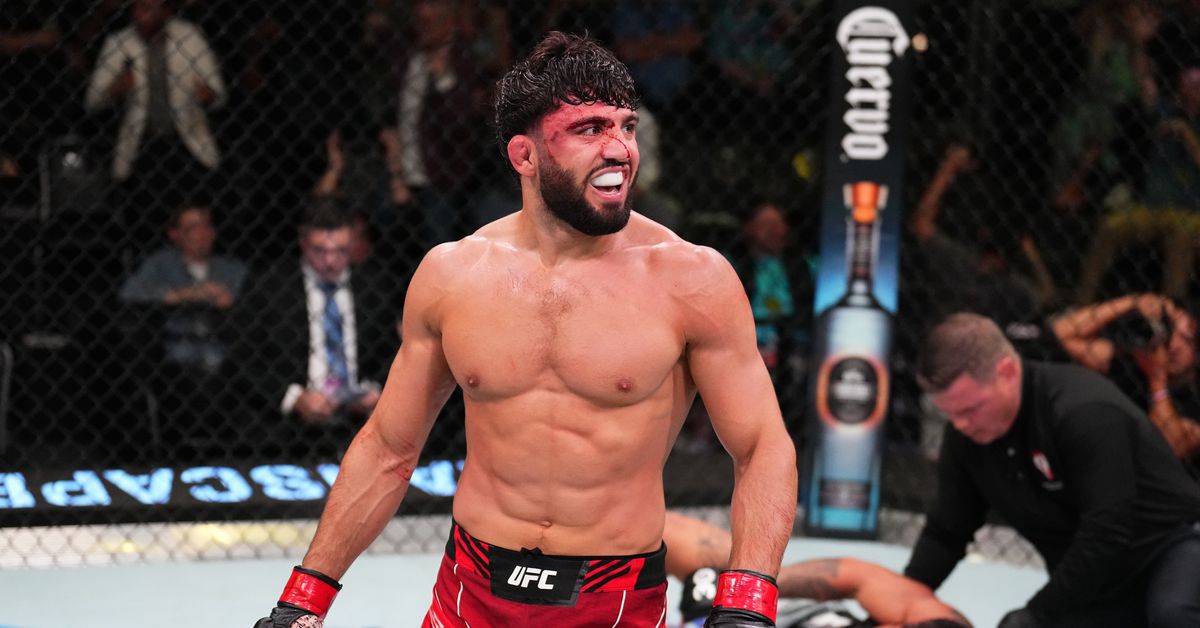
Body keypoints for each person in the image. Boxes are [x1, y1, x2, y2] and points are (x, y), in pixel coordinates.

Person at [256, 31, 797, 627]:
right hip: (469, 591)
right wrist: (302, 600)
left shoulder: (690, 279)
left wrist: (748, 603)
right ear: (525, 155)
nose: (620, 149)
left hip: (613, 598)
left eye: (627, 127)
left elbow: (762, 446)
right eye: (590, 129)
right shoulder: (453, 274)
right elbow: (389, 448)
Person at [904, 312, 1200, 627]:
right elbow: (947, 531)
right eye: (951, 415)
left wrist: (1037, 614)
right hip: (1100, 584)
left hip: (1175, 548)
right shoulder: (967, 436)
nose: (962, 425)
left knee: (1174, 613)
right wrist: (901, 601)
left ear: (1006, 371)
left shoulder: (1081, 412)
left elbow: (1107, 531)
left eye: (970, 409)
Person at [232, 197, 399, 455]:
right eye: (320, 250)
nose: (330, 261)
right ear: (303, 245)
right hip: (283, 427)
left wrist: (376, 389)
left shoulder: (375, 285)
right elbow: (241, 356)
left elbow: (394, 350)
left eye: (341, 250)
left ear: (353, 244)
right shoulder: (270, 286)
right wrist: (293, 397)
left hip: (361, 420)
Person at [664, 512, 971, 628]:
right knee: (673, 536)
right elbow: (857, 575)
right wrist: (755, 586)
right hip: (781, 611)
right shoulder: (938, 622)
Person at [84, 0, 225, 239]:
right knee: (148, 220)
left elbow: (218, 93)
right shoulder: (119, 42)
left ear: (166, 12)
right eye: (137, 8)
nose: (140, 16)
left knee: (192, 212)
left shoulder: (189, 37)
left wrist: (207, 95)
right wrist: (115, 88)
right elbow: (92, 100)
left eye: (148, 9)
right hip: (143, 145)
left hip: (186, 141)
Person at [1051, 292, 1200, 464]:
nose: (1174, 345)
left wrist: (1157, 380)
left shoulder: (1194, 400)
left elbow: (1170, 446)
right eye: (1170, 331)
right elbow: (1060, 334)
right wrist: (1132, 302)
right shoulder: (1136, 364)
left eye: (1187, 339)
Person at [118, 202, 247, 372]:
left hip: (224, 352)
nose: (202, 233)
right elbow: (130, 293)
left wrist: (231, 301)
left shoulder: (233, 268)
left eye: (206, 226)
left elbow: (248, 302)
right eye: (192, 228)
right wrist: (187, 294)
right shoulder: (160, 264)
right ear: (175, 234)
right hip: (175, 354)